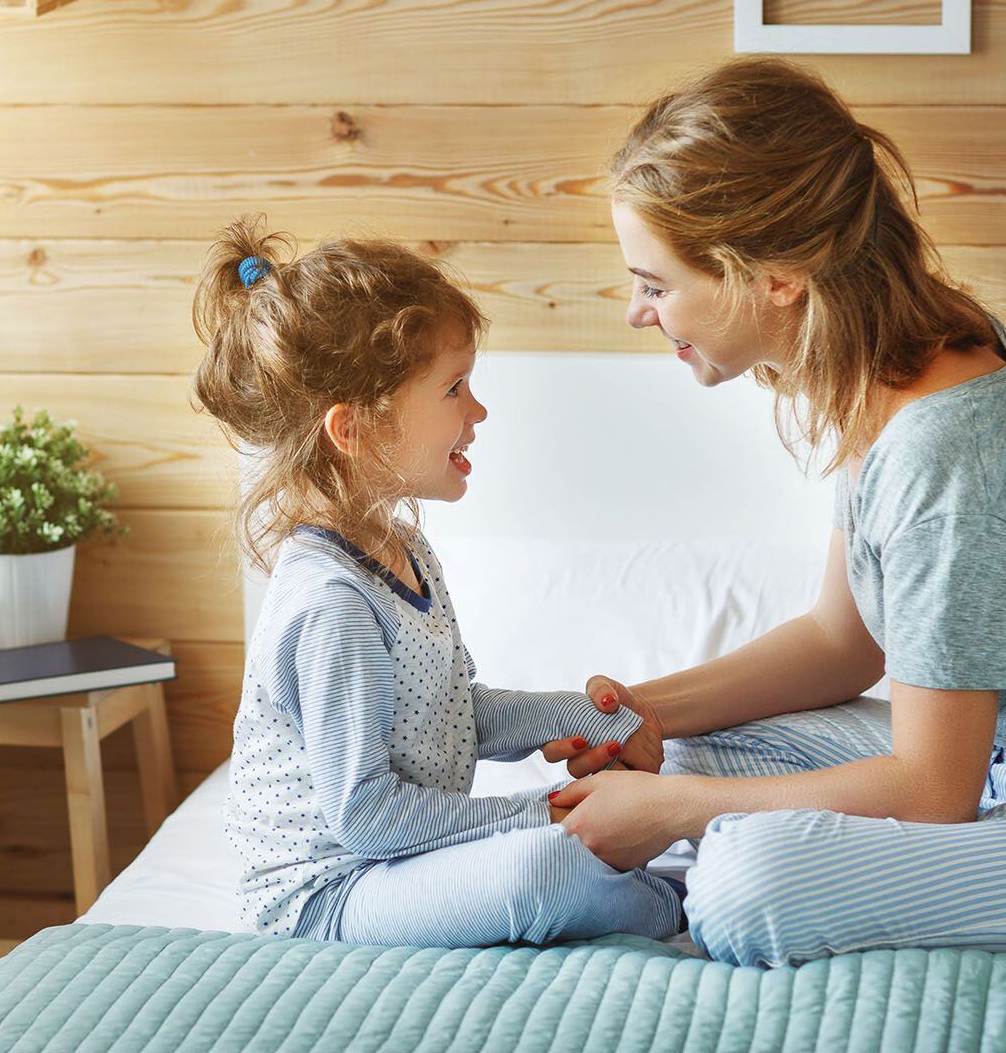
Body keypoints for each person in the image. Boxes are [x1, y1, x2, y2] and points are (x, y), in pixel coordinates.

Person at [550, 57, 1006, 968]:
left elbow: (932, 786)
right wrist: (643, 713)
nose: (636, 311)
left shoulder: (952, 449)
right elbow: (842, 640)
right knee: (693, 756)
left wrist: (672, 815)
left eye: (656, 283)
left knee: (746, 889)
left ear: (779, 274)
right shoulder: (888, 352)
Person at [195, 215, 678, 947]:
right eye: (455, 388)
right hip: (329, 895)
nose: (478, 411)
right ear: (353, 429)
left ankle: (658, 880)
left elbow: (455, 719)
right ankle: (682, 907)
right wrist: (543, 810)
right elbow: (368, 816)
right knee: (542, 869)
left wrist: (587, 717)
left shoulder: (404, 548)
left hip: (392, 861)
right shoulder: (331, 605)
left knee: (563, 849)